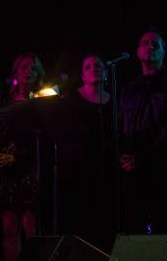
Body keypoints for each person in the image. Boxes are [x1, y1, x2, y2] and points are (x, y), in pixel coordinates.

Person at [119, 29, 167, 234]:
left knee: (163, 223)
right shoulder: (130, 88)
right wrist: (122, 155)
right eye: (145, 43)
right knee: (133, 223)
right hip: (133, 168)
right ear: (138, 51)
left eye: (155, 44)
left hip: (161, 166)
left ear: (163, 52)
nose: (150, 47)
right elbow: (121, 125)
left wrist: (144, 157)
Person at [54, 55, 115, 252]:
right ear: (82, 75)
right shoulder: (70, 101)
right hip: (77, 172)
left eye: (98, 65)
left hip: (105, 172)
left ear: (106, 72)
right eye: (88, 67)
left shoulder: (113, 101)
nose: (94, 69)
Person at [0, 52, 45, 261]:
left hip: (30, 167)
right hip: (8, 168)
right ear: (16, 71)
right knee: (9, 228)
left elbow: (43, 137)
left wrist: (20, 157)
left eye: (34, 68)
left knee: (31, 227)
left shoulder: (42, 99)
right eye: (25, 67)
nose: (29, 71)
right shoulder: (3, 100)